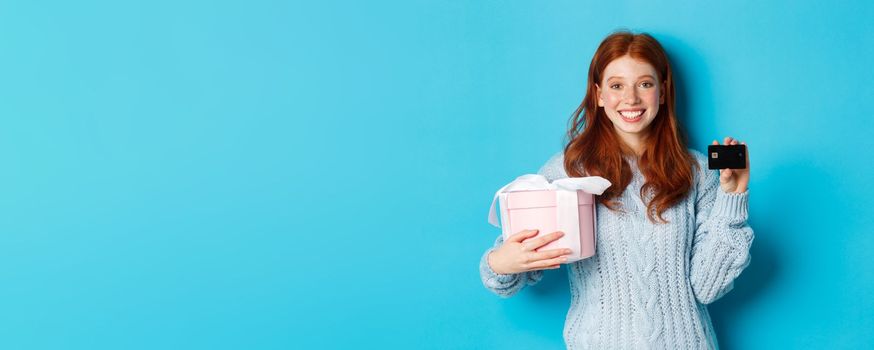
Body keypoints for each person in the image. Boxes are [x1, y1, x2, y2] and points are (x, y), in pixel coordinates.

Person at [479, 30, 753, 350]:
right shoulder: (567, 171)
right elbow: (510, 274)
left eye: (645, 84)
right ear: (598, 95)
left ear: (662, 92)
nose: (631, 99)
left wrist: (732, 198)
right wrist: (499, 263)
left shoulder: (698, 172)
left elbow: (708, 287)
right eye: (617, 85)